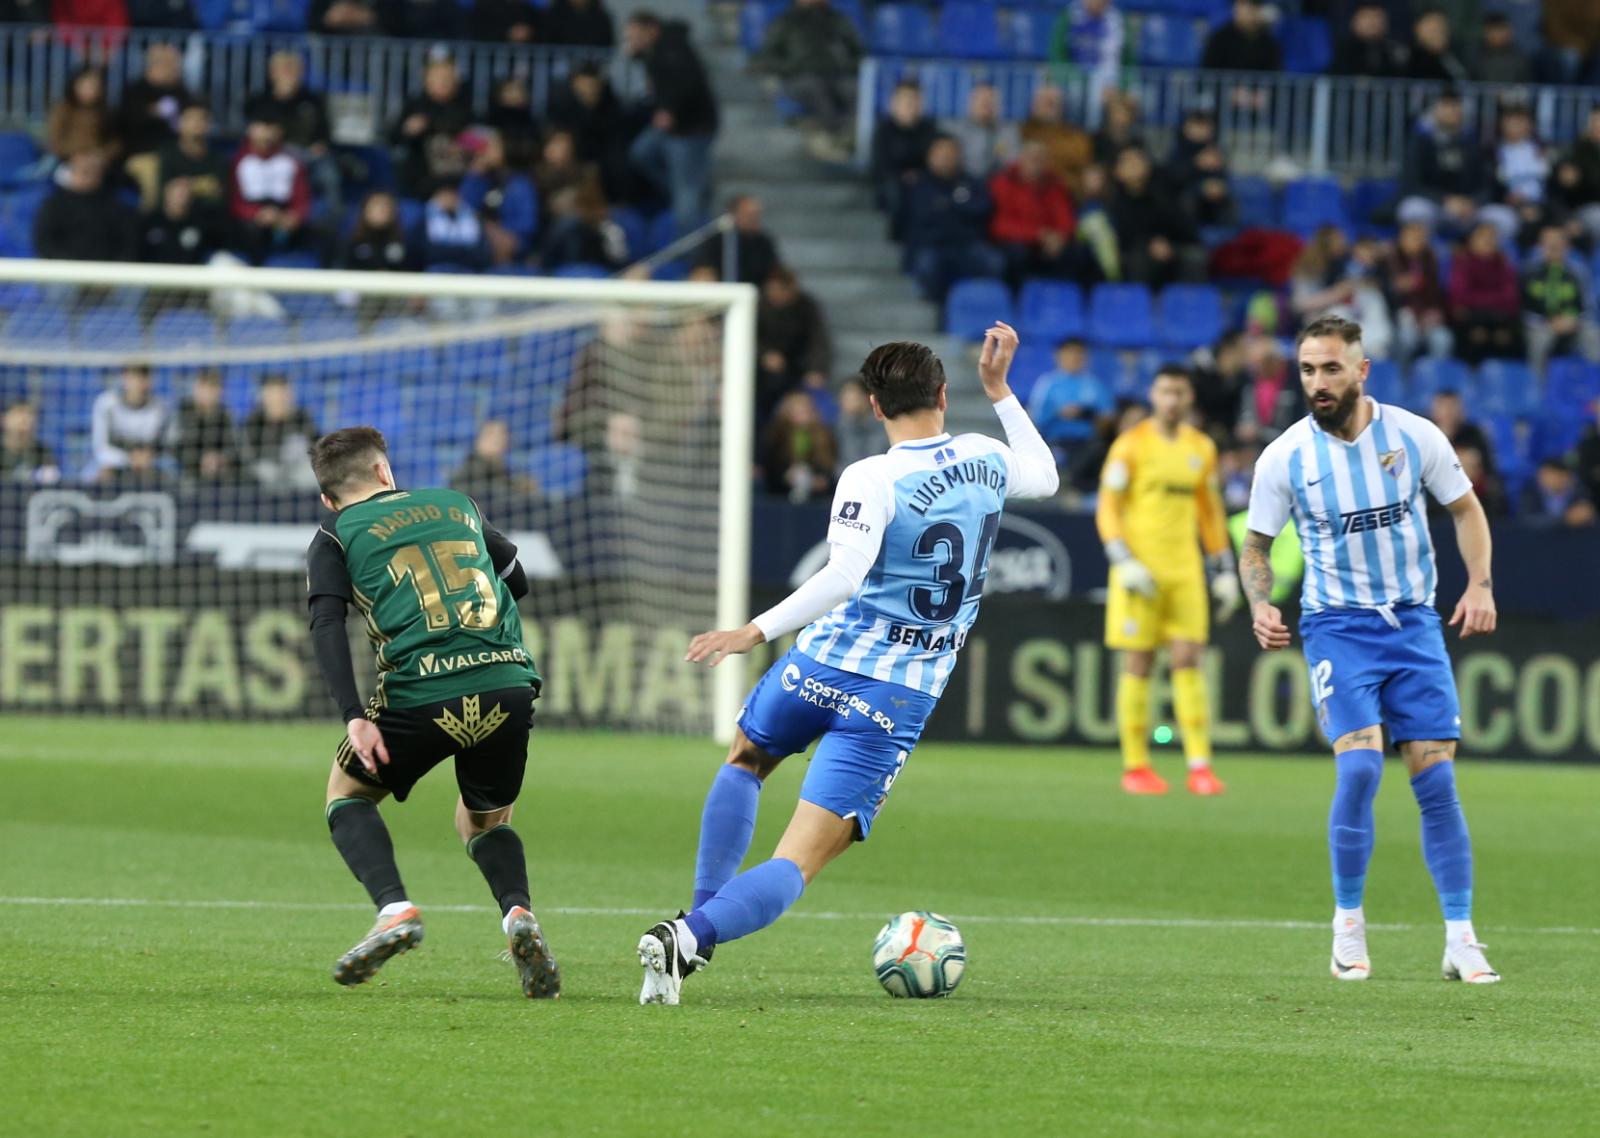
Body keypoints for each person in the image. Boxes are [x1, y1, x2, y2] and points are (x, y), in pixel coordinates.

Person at [634, 323, 1059, 1005]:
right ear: (942, 396)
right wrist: (1000, 390)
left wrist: (754, 631)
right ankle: (690, 936)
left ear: (873, 405)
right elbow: (1046, 475)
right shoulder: (986, 457)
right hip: (896, 693)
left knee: (745, 758)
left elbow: (843, 576)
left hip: (820, 664)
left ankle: (698, 923)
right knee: (799, 860)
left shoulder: (871, 476)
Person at [1242, 314, 1501, 986]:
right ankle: (1348, 927)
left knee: (1436, 782)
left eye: (1331, 368)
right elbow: (1256, 546)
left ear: (1361, 370)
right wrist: (1261, 603)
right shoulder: (1286, 457)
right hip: (1337, 628)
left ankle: (1461, 938)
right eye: (1307, 369)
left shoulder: (1414, 436)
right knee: (1359, 771)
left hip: (1413, 625)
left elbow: (1466, 509)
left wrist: (1479, 584)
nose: (1318, 382)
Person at [304, 426, 557, 998]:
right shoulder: (456, 503)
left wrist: (353, 714)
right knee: (484, 820)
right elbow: (516, 581)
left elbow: (326, 624)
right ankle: (518, 914)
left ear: (328, 497)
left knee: (346, 795)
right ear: (384, 471)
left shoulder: (334, 534)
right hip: (506, 685)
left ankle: (395, 910)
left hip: (420, 693)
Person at [1096, 366, 1237, 796]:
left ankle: (1199, 766)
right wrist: (1122, 559)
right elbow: (1108, 506)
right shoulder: (1131, 444)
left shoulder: (1202, 448)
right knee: (1139, 662)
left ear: (1189, 397)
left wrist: (1223, 567)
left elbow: (1210, 512)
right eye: (1164, 391)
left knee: (1189, 659)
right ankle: (1135, 766)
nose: (1171, 400)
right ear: (1153, 395)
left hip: (1185, 570)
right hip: (1139, 571)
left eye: (1179, 392)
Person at [625, 10, 719, 237]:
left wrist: (669, 109)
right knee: (641, 153)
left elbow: (687, 82)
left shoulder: (673, 47)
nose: (632, 41)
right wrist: (636, 56)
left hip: (689, 129)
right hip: (671, 128)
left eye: (636, 36)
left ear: (651, 30)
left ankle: (691, 248)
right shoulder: (654, 51)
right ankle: (692, 192)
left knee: (685, 194)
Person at [902, 135, 1003, 302]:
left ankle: (974, 301)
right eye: (941, 154)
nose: (946, 158)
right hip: (933, 245)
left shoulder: (972, 182)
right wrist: (959, 207)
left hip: (967, 244)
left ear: (959, 156)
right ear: (930, 156)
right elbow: (923, 216)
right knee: (926, 265)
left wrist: (946, 206)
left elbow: (982, 209)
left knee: (994, 262)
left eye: (950, 153)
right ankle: (938, 303)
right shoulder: (918, 183)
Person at [757, 0, 862, 154]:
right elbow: (768, 57)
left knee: (854, 90)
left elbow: (858, 52)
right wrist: (792, 67)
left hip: (837, 74)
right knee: (817, 91)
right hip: (799, 77)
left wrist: (846, 65)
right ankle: (836, 136)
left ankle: (851, 135)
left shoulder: (838, 19)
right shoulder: (784, 21)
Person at [244, 51, 338, 214]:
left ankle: (331, 219)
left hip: (309, 153)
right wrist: (283, 98)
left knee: (329, 174)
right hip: (271, 153)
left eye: (293, 69)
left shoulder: (313, 100)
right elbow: (252, 133)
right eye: (284, 69)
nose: (289, 74)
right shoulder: (260, 100)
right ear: (272, 73)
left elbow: (325, 133)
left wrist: (321, 145)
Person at [988, 141, 1081, 287]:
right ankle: (1020, 296)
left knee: (1078, 252)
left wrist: (1060, 237)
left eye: (1041, 160)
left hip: (1049, 243)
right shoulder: (1003, 183)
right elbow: (1000, 224)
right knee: (1017, 254)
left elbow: (1066, 218)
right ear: (1021, 159)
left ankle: (1063, 296)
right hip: (1019, 242)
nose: (1036, 164)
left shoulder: (1055, 184)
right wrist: (1038, 234)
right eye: (1032, 158)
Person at [1107, 145, 1201, 288]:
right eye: (1128, 161)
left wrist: (1168, 243)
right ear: (1117, 171)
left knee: (1195, 257)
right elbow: (1123, 237)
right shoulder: (1112, 200)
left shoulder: (1163, 192)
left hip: (1170, 248)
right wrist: (1149, 244)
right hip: (1135, 253)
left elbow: (1186, 229)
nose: (1135, 164)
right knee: (1137, 260)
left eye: (1139, 159)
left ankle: (1190, 301)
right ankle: (1139, 300)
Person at [1397, 91, 1485, 238]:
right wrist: (1444, 200)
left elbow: (1485, 184)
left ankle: (1479, 252)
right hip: (1433, 205)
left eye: (1456, 106)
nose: (1452, 111)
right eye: (1446, 106)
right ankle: (1427, 251)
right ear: (1435, 110)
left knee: (1501, 217)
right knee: (1413, 209)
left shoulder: (1473, 143)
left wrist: (1471, 202)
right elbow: (1411, 184)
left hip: (1466, 208)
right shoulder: (1421, 141)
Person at [228, 114, 312, 263]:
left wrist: (294, 216)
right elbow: (233, 199)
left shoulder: (291, 161)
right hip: (251, 219)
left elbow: (301, 197)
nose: (267, 134)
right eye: (262, 128)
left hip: (283, 213)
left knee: (322, 233)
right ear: (250, 130)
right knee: (250, 232)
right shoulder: (238, 161)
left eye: (272, 128)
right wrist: (256, 214)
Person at [756, 266, 831, 425]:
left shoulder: (807, 307)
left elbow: (818, 340)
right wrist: (764, 355)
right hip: (761, 374)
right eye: (771, 290)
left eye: (779, 290)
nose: (775, 295)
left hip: (797, 370)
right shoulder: (757, 306)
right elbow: (747, 337)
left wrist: (816, 369)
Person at [390, 55, 473, 198]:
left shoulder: (464, 108)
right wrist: (408, 130)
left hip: (458, 181)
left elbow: (474, 137)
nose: (443, 82)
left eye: (448, 77)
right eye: (438, 77)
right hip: (421, 180)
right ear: (427, 80)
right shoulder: (414, 105)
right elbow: (393, 138)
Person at [33, 152, 140, 262]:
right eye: (83, 171)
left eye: (93, 172)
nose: (88, 177)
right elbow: (45, 243)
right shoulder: (53, 205)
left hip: (105, 270)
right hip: (63, 268)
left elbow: (127, 245)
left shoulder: (117, 208)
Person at [1522, 224, 1600, 375]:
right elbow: (1522, 308)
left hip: (1573, 323)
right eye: (1548, 242)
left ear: (1567, 246)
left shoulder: (1578, 271)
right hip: (1539, 324)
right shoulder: (1528, 271)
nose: (1553, 246)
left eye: (1558, 241)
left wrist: (1573, 320)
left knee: (1593, 335)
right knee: (1538, 340)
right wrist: (1546, 321)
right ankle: (1538, 385)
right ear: (1540, 246)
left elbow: (1588, 306)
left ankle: (1596, 385)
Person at [1027, 338, 1110, 466]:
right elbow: (1035, 419)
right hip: (1055, 442)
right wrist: (1058, 413)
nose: (1075, 357)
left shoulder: (1094, 384)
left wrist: (1087, 414)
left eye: (1079, 353)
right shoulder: (1047, 384)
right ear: (1059, 356)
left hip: (1087, 443)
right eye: (1070, 353)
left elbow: (1108, 417)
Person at [1449, 221, 1522, 364]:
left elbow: (1511, 299)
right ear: (1471, 241)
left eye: (1491, 237)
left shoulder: (1504, 264)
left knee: (1507, 335)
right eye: (1482, 237)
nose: (1487, 241)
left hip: (1499, 318)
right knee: (1476, 334)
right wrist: (1494, 300)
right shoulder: (1462, 264)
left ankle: (1503, 374)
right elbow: (1460, 297)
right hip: (1472, 319)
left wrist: (1479, 300)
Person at [91, 363, 175, 483]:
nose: (138, 383)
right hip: (116, 464)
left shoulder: (161, 408)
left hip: (149, 466)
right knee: (102, 474)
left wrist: (150, 457)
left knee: (168, 477)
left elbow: (168, 446)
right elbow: (101, 449)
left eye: (143, 376)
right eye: (134, 377)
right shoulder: (106, 404)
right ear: (124, 378)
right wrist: (129, 458)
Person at [872, 81, 939, 229]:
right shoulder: (884, 130)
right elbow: (880, 165)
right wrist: (902, 176)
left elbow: (935, 161)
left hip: (924, 182)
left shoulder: (930, 129)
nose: (911, 104)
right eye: (906, 100)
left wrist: (919, 175)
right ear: (894, 103)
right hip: (893, 184)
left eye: (915, 99)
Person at [1383, 221, 1453, 362]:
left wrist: (1435, 312)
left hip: (1426, 318)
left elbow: (1437, 294)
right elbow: (1383, 292)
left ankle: (1432, 374)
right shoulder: (1389, 259)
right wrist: (1396, 288)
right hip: (1398, 317)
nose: (1419, 242)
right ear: (1402, 238)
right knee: (1407, 338)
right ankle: (1400, 373)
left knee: (1443, 339)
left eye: (1422, 238)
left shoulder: (1430, 261)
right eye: (1414, 237)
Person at [117, 41, 192, 160]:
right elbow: (128, 122)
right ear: (155, 65)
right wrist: (154, 111)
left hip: (175, 154)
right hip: (141, 153)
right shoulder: (135, 91)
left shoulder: (181, 92)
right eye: (170, 64)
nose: (176, 69)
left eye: (176, 64)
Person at [243, 373, 318, 488]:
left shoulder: (301, 416)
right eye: (273, 393)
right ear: (264, 397)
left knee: (310, 473)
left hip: (297, 468)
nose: (278, 398)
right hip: (269, 468)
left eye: (281, 393)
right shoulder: (254, 420)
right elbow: (250, 455)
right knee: (263, 471)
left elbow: (315, 446)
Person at [157, 102, 228, 222]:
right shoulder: (167, 155)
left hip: (209, 221)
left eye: (202, 119)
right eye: (191, 119)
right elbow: (164, 192)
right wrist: (201, 186)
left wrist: (187, 186)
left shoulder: (219, 159)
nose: (196, 123)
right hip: (171, 221)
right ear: (179, 123)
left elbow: (218, 193)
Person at [761, 390, 838, 501]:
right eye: (798, 409)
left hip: (817, 495)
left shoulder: (824, 435)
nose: (803, 413)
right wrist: (785, 476)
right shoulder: (777, 435)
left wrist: (820, 479)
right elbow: (771, 465)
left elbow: (827, 464)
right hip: (781, 493)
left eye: (806, 409)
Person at [1019, 85, 1094, 195]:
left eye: (1053, 103)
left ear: (1062, 107)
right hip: (1024, 195)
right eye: (1044, 102)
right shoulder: (1020, 133)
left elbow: (1084, 177)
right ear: (1033, 106)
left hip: (1064, 195)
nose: (1049, 108)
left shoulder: (1077, 140)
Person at [694, 194, 779, 287]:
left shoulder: (764, 241)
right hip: (722, 289)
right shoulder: (717, 239)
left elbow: (773, 271)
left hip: (756, 290)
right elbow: (704, 267)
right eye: (749, 215)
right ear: (734, 214)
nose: (754, 219)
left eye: (757, 215)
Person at [942, 83, 1019, 180]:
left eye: (991, 102)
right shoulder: (953, 129)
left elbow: (1012, 161)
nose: (987, 106)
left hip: (998, 182)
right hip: (961, 181)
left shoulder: (1008, 131)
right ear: (970, 102)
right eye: (982, 101)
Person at [140, 176, 223, 265]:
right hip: (154, 271)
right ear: (166, 194)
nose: (182, 196)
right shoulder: (150, 221)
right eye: (178, 192)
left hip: (190, 271)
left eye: (185, 192)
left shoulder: (200, 222)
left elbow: (219, 242)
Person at [174, 368, 239, 481]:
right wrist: (200, 460)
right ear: (196, 388)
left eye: (214, 387)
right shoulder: (183, 412)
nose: (210, 392)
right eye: (205, 386)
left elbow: (234, 447)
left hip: (219, 471)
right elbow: (174, 447)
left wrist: (221, 458)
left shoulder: (225, 415)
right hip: (189, 470)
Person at [1050, 0, 1124, 98]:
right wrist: (1059, 81)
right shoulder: (1069, 16)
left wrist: (1120, 85)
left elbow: (1126, 61)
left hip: (1107, 80)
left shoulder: (1118, 20)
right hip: (1071, 77)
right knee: (1050, 96)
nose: (1098, 2)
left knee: (1118, 99)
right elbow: (1058, 54)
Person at [451, 419, 540, 500]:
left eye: (503, 433)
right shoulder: (471, 467)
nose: (497, 438)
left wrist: (518, 485)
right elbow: (478, 492)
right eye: (490, 433)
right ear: (478, 440)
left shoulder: (501, 468)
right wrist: (517, 488)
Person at [417, 177, 492, 272]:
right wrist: (462, 251)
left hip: (467, 270)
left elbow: (481, 253)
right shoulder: (424, 218)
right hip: (436, 269)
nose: (449, 198)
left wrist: (446, 251)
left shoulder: (474, 218)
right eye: (445, 195)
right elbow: (425, 252)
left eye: (453, 194)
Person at [46, 65, 115, 167]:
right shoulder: (63, 109)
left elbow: (114, 141)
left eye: (96, 86)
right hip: (66, 160)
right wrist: (76, 155)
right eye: (87, 86)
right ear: (75, 85)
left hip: (97, 162)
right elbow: (54, 141)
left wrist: (102, 155)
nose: (92, 90)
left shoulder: (104, 111)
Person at [338, 191, 413, 273]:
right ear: (365, 211)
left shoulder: (404, 243)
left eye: (385, 207)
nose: (380, 211)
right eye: (376, 206)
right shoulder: (352, 243)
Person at [1201, 0, 1282, 73]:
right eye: (1242, 5)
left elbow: (1274, 76)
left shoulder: (1269, 42)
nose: (1248, 11)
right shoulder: (1219, 39)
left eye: (1253, 5)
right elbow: (1207, 73)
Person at [1330, 3, 1408, 78]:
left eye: (1377, 17)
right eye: (1367, 17)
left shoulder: (1393, 51)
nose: (1372, 23)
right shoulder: (1343, 50)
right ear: (1354, 21)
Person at [1, 400, 61, 485]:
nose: (24, 419)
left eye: (29, 414)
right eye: (18, 412)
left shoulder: (42, 450)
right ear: (3, 419)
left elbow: (52, 478)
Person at [1520, 458, 1595, 526]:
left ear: (1564, 476)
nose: (1541, 478)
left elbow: (1588, 515)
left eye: (1548, 474)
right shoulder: (1530, 493)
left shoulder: (1580, 491)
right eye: (1540, 474)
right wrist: (1564, 519)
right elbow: (1527, 520)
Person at [1405, 8, 1468, 84]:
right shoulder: (1405, 58)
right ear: (1417, 28)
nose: (1437, 34)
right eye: (1433, 30)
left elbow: (1463, 80)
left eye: (1441, 29)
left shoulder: (1452, 58)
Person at [832, 379, 882, 469]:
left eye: (851, 397)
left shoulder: (882, 424)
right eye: (843, 398)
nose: (845, 402)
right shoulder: (840, 427)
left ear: (867, 397)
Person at [1472, 12, 1530, 84]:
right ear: (1486, 32)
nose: (1499, 34)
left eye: (1502, 29)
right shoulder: (1476, 57)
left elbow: (1528, 85)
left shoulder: (1520, 58)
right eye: (1495, 30)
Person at [543, 0, 615, 46]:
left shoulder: (601, 17)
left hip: (592, 64)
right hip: (559, 62)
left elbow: (607, 43)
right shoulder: (553, 14)